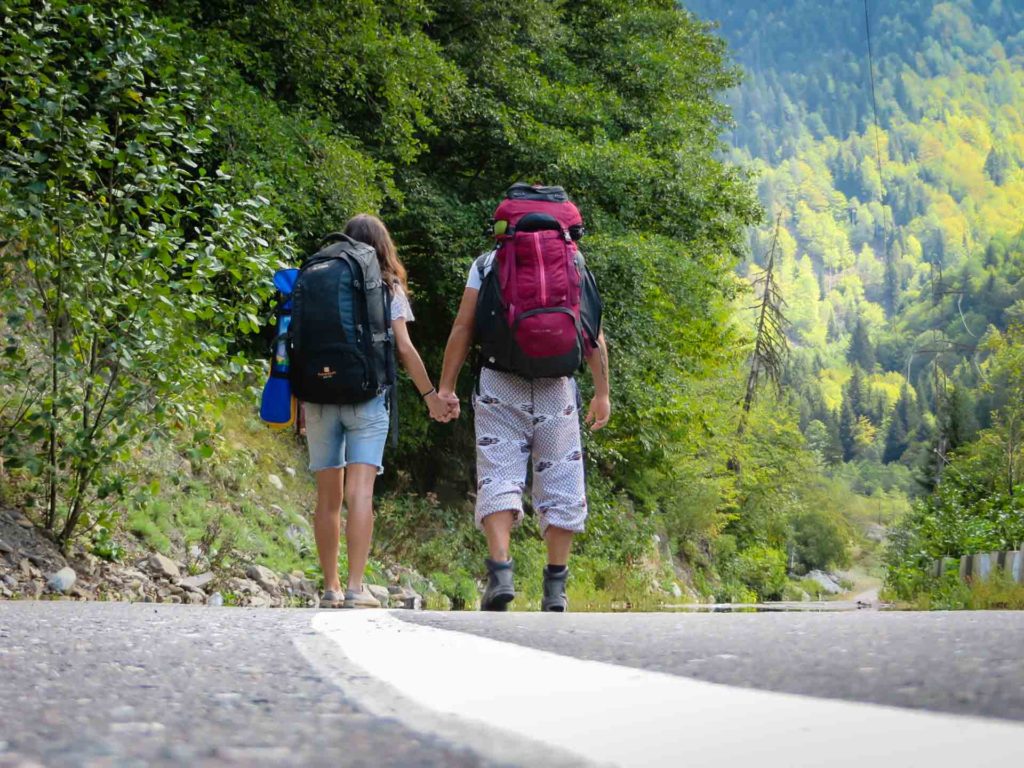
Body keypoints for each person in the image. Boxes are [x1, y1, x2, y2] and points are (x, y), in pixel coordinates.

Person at [436, 194, 610, 612]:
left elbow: (463, 327)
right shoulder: (574, 261)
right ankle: (555, 588)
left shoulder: (487, 264)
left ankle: (501, 574)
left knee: (498, 475)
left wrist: (446, 387)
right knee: (563, 479)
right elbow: (592, 332)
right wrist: (602, 392)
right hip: (558, 385)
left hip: (500, 380)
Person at [308, 214, 452, 609]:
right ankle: (356, 587)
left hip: (318, 398)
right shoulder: (389, 288)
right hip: (368, 399)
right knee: (360, 492)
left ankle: (331, 587)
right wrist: (430, 397)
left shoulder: (319, 275)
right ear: (383, 246)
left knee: (327, 499)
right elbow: (404, 348)